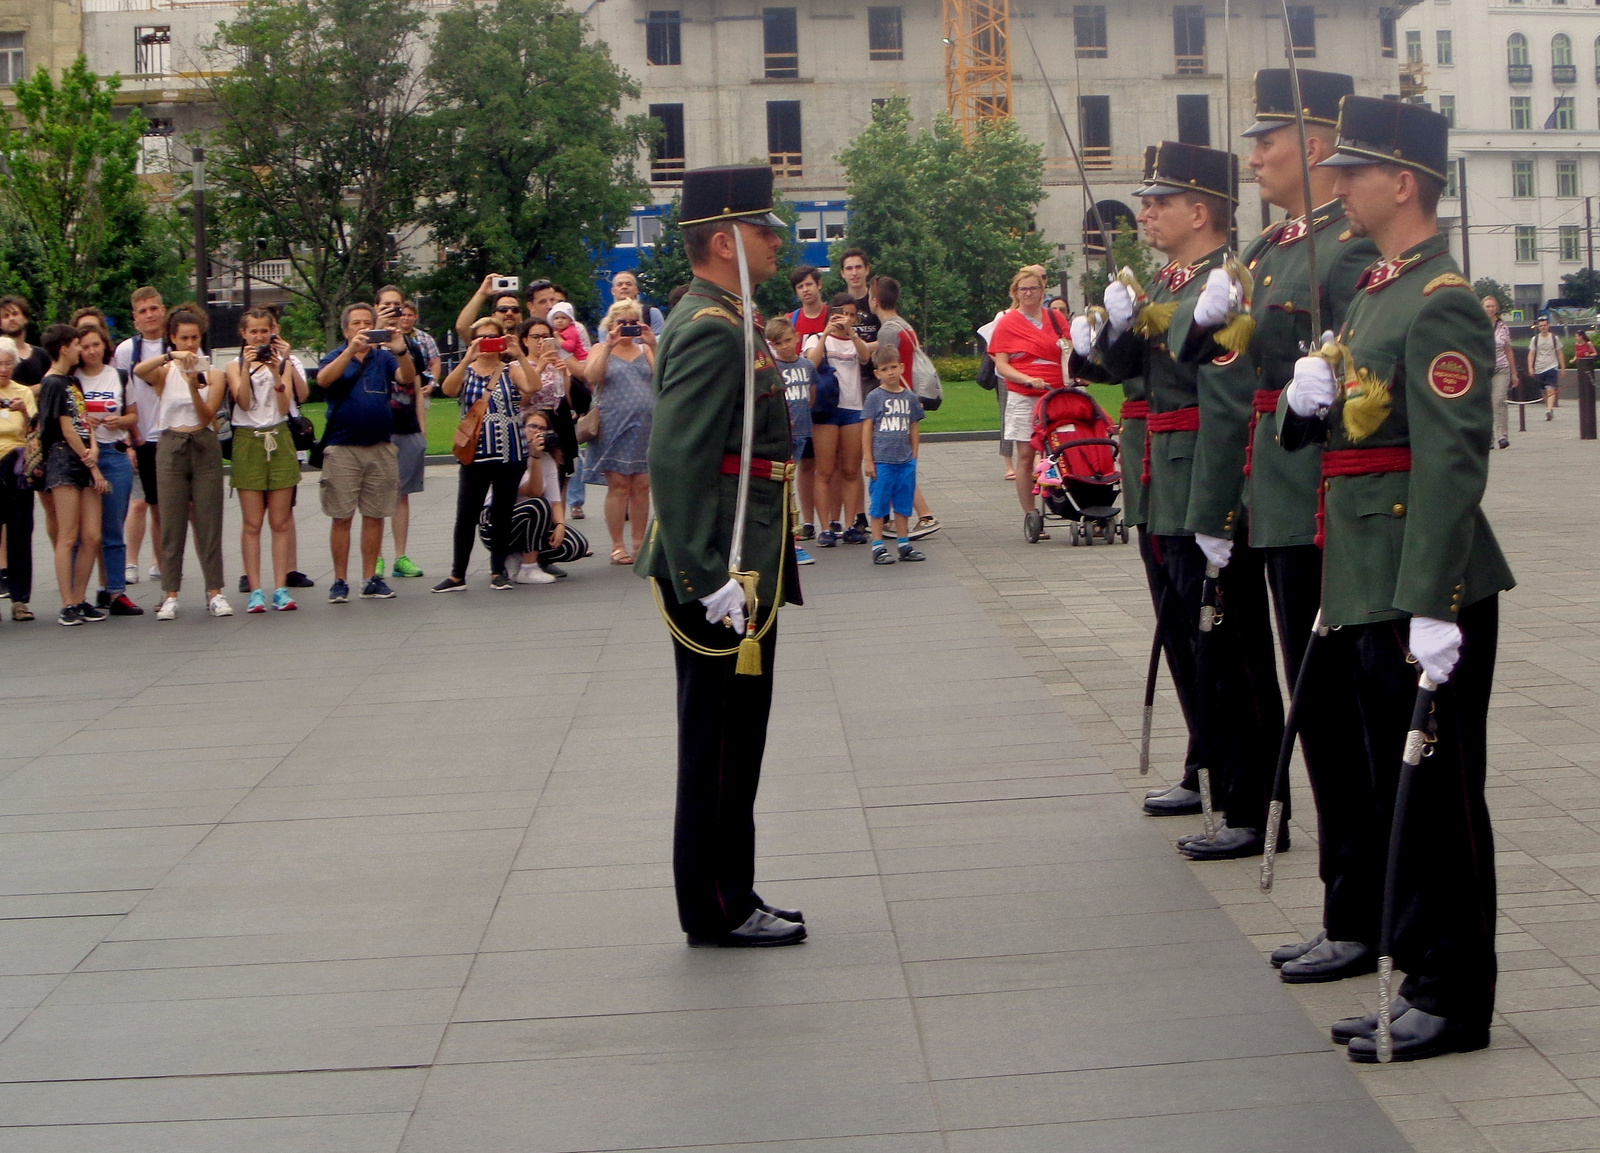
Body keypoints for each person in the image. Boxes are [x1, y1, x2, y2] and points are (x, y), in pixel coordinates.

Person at [1280, 96, 1513, 1063]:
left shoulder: (1439, 297)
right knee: (1393, 789)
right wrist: (1308, 403)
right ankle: (1418, 973)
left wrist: (1433, 602)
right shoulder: (1378, 291)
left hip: (1424, 584)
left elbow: (1453, 461)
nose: (1338, 182)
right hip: (1368, 574)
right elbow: (1349, 434)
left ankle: (1455, 996)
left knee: (1441, 796)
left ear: (1403, 182)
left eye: (1356, 169)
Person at [1184, 69, 1383, 974]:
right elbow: (1223, 373)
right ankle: (1349, 907)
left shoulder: (1345, 250)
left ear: (1313, 146)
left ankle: (1360, 915)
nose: (1253, 152)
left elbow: (1358, 375)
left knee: (1337, 717)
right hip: (1275, 495)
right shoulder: (1269, 250)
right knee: (1324, 717)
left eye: (1268, 137)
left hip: (1320, 502)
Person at [1079, 141, 1285, 860]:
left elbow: (1227, 406)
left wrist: (1217, 511)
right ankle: (1210, 771)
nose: (1145, 212)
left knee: (1230, 651)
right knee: (1189, 642)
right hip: (1162, 479)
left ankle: (1253, 800)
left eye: (1159, 201)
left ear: (1201, 210)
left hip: (1200, 479)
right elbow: (1126, 370)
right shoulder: (1172, 283)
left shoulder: (1221, 286)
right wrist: (1108, 328)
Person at [636, 164, 807, 948]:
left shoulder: (729, 315)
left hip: (745, 559)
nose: (776, 239)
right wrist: (708, 578)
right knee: (717, 745)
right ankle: (715, 905)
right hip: (720, 569)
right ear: (719, 241)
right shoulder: (710, 327)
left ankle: (732, 888)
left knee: (739, 741)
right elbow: (677, 459)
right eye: (761, 228)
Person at [133, 308, 231, 621]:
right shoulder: (164, 371)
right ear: (173, 338)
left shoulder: (214, 374)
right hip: (171, 444)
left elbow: (207, 416)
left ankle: (215, 590)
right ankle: (170, 592)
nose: (190, 344)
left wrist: (193, 383)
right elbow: (138, 370)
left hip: (203, 443)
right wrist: (168, 357)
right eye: (183, 338)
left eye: (194, 338)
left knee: (208, 521)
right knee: (171, 522)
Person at [316, 303, 414, 603]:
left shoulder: (383, 358)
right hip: (343, 447)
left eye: (366, 323)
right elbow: (323, 380)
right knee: (341, 516)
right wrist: (350, 352)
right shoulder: (334, 356)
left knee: (375, 515)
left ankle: (371, 578)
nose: (361, 327)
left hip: (379, 446)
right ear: (346, 329)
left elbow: (407, 377)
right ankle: (340, 580)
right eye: (355, 323)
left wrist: (401, 350)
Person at [431, 316, 536, 592]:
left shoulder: (509, 369)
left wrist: (519, 355)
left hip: (509, 450)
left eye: (493, 337)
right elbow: (448, 389)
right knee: (466, 513)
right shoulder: (468, 370)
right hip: (475, 453)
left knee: (503, 512)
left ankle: (497, 570)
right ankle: (457, 574)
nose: (489, 343)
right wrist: (467, 358)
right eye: (483, 337)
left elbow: (533, 387)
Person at [227, 308, 305, 613]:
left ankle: (281, 587)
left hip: (278, 435)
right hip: (249, 439)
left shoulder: (282, 363)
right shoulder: (235, 365)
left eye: (264, 331)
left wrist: (276, 369)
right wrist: (248, 368)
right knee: (252, 522)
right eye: (253, 332)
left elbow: (285, 405)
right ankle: (255, 588)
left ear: (273, 332)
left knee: (280, 520)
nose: (260, 337)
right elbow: (243, 401)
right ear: (244, 335)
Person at [37, 325, 110, 626]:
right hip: (63, 460)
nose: (81, 349)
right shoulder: (53, 382)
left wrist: (93, 449)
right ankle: (67, 602)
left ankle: (80, 597)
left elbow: (83, 423)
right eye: (77, 344)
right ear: (64, 348)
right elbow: (65, 428)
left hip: (83, 456)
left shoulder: (72, 382)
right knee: (68, 536)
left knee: (92, 535)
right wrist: (90, 463)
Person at [989, 266, 1068, 536]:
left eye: (1034, 288)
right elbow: (1002, 364)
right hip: (1024, 393)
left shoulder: (1056, 319)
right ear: (1016, 292)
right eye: (1024, 289)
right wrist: (1025, 379)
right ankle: (1030, 513)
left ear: (1042, 291)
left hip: (1056, 392)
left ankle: (1069, 499)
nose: (1029, 293)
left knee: (1064, 450)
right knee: (1025, 455)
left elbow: (1069, 352)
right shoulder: (1008, 323)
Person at [73, 319, 142, 617]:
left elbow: (133, 416)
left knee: (113, 528)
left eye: (96, 345)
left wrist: (119, 422)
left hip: (113, 456)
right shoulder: (72, 379)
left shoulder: (119, 376)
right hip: (82, 457)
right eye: (85, 346)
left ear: (105, 346)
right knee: (82, 533)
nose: (91, 351)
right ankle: (76, 596)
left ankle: (116, 592)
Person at [583, 299, 656, 565]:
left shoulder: (645, 349)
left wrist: (653, 344)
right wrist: (609, 346)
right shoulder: (600, 348)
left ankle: (639, 543)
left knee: (642, 485)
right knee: (619, 485)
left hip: (646, 426)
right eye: (621, 322)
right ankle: (617, 545)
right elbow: (592, 377)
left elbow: (663, 377)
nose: (627, 327)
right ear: (611, 325)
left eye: (632, 322)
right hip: (614, 425)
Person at [869, 276, 940, 540]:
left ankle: (924, 515)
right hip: (910, 397)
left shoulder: (887, 329)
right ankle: (895, 519)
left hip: (900, 400)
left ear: (875, 300)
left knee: (896, 464)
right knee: (900, 464)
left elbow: (878, 356)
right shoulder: (903, 325)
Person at [489, 408, 591, 584]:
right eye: (533, 427)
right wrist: (534, 457)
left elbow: (555, 500)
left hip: (530, 522)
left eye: (543, 429)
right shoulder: (512, 456)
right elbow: (533, 491)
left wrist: (560, 525)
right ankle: (528, 568)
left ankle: (528, 558)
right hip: (497, 524)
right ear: (521, 429)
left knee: (575, 544)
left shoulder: (547, 459)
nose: (538, 432)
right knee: (538, 504)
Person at [805, 294, 871, 546]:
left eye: (852, 314)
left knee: (851, 469)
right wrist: (825, 333)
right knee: (825, 470)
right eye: (842, 313)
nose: (847, 319)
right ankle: (826, 527)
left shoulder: (855, 340)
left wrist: (852, 333)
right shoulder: (816, 338)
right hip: (827, 409)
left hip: (853, 407)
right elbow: (811, 362)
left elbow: (866, 358)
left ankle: (852, 523)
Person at [114, 286, 169, 585]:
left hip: (169, 434)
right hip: (139, 435)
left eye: (154, 308)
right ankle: (131, 562)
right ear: (135, 318)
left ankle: (158, 560)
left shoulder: (175, 343)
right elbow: (121, 395)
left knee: (161, 504)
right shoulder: (125, 351)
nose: (150, 315)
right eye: (143, 311)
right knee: (138, 503)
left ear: (162, 310)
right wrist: (129, 438)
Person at [375, 285, 427, 581]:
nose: (393, 310)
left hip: (405, 425)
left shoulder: (409, 344)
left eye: (397, 305)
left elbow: (415, 385)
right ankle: (376, 556)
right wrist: (377, 329)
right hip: (377, 428)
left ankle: (400, 555)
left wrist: (421, 430)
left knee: (401, 495)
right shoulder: (367, 341)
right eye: (386, 305)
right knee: (376, 496)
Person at [861, 345, 927, 565]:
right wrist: (869, 459)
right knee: (879, 504)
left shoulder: (909, 397)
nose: (890, 372)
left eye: (893, 367)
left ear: (901, 367)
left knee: (903, 503)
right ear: (877, 373)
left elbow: (914, 427)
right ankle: (878, 546)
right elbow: (867, 428)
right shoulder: (874, 397)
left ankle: (903, 543)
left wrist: (914, 456)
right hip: (882, 461)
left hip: (904, 461)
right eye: (884, 368)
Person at [765, 315, 816, 565]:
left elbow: (811, 397)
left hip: (802, 432)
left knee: (791, 484)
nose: (785, 346)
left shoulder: (807, 366)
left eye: (788, 340)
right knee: (784, 487)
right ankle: (789, 542)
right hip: (780, 434)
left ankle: (790, 540)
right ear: (771, 345)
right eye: (778, 343)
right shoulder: (771, 369)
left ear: (796, 337)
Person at [0, 338, 37, 621]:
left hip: (17, 466)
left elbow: (34, 431)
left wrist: (23, 411)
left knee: (20, 533)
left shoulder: (23, 392)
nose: (3, 369)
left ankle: (20, 599)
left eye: (8, 363)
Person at [1481, 296, 1519, 450]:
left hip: (1501, 368)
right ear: (1482, 308)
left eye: (1493, 306)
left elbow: (1508, 350)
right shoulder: (1478, 325)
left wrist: (1514, 373)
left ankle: (1502, 435)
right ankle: (1488, 437)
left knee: (1499, 400)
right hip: (1483, 369)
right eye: (1488, 306)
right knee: (1485, 404)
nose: (1490, 309)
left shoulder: (1503, 327)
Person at [456, 275, 525, 344]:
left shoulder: (529, 341)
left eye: (515, 309)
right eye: (503, 309)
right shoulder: (485, 338)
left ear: (521, 317)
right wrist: (482, 293)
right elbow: (462, 327)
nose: (509, 313)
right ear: (493, 316)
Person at [0, 296, 51, 385]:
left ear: (25, 318)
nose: (11, 319)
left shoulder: (42, 355)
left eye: (15, 314)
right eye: (6, 316)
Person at [1529, 313, 1564, 421]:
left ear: (1548, 326)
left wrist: (1563, 367)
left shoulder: (1554, 338)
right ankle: (1549, 407)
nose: (1543, 327)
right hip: (1539, 367)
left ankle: (1549, 409)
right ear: (1538, 327)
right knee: (1544, 391)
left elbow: (1560, 353)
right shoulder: (1535, 339)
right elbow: (1531, 354)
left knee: (1550, 389)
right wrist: (1531, 367)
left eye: (1545, 325)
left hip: (1551, 367)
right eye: (1541, 326)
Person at [610, 270, 666, 335]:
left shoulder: (652, 313)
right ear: (613, 291)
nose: (624, 287)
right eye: (619, 285)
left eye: (629, 284)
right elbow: (604, 343)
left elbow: (659, 341)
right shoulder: (610, 317)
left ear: (636, 290)